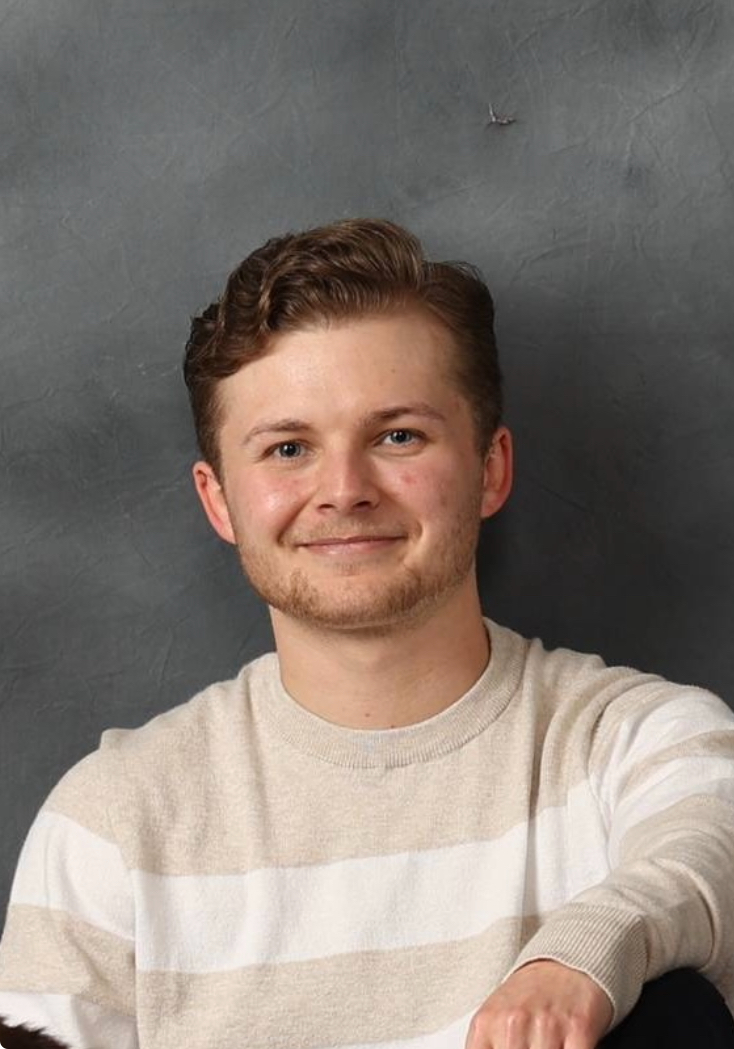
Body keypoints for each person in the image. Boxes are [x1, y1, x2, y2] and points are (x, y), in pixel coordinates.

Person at [1, 218, 734, 1049]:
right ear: (219, 501)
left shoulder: (636, 742)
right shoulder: (112, 823)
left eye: (397, 436)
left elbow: (706, 852)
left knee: (670, 1009)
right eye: (288, 448)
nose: (344, 489)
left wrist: (581, 954)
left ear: (490, 468)